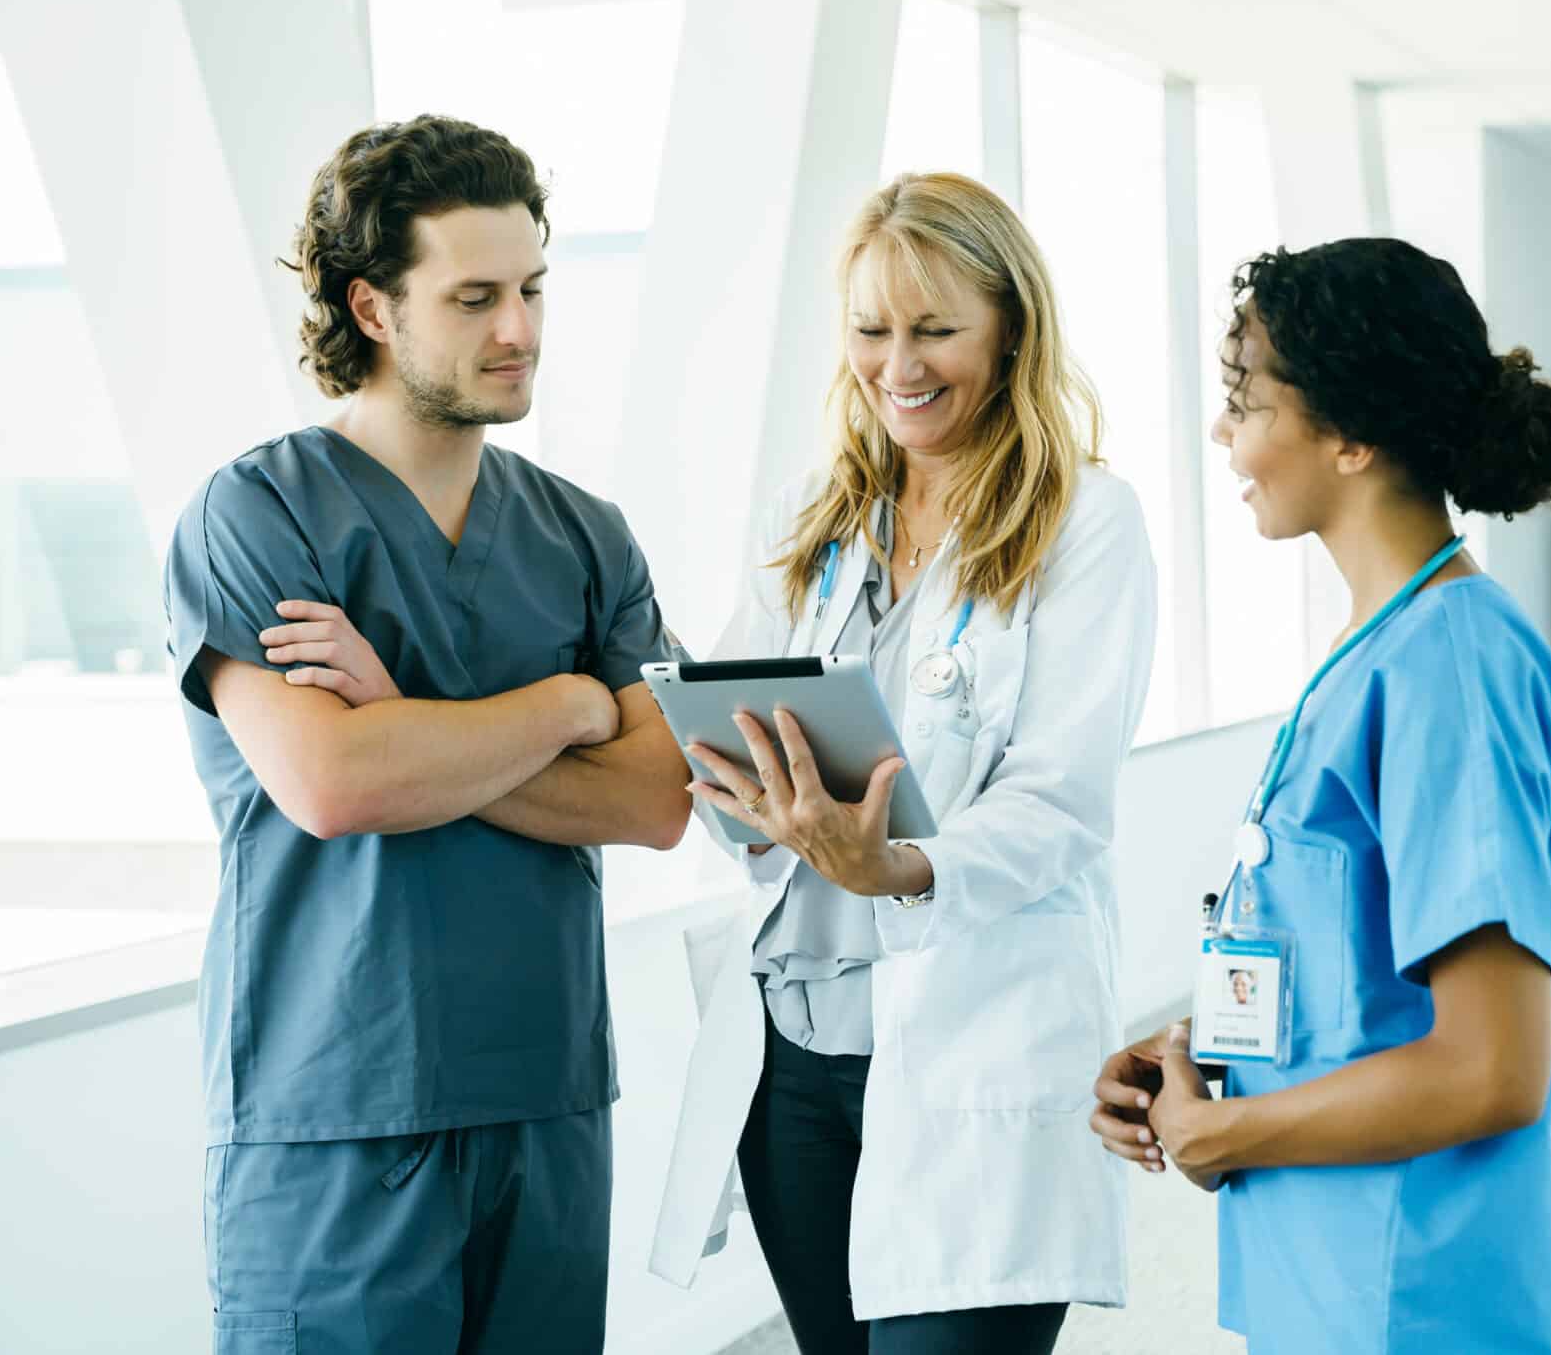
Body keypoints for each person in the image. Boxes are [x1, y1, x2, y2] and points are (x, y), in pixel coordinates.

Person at [163, 114, 691, 1353]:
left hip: (544, 1097)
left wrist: (408, 725)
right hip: (332, 1114)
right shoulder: (255, 515)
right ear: (373, 307)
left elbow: (656, 802)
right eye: (473, 298)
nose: (520, 330)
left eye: (532, 289)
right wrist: (569, 708)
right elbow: (334, 782)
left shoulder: (586, 535)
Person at [649, 173, 1158, 1355]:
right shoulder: (815, 516)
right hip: (795, 1056)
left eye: (935, 328)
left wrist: (899, 868)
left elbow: (1062, 801)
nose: (898, 365)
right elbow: (718, 728)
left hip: (969, 1041)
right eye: (871, 330)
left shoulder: (1085, 520)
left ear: (1011, 327)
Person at [1089, 237, 1551, 1353]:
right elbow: (1358, 983)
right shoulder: (1381, 649)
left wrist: (1226, 1134)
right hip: (1329, 1276)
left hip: (1413, 1294)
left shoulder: (1449, 667)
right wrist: (1197, 1061)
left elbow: (1490, 1068)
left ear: (1350, 431)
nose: (1224, 433)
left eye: (1246, 400)